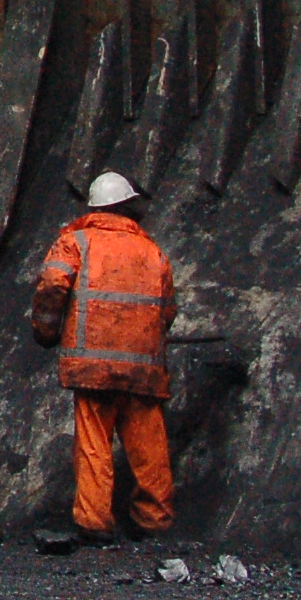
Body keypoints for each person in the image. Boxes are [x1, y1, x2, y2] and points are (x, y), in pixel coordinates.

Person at [30, 170, 175, 542]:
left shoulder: (74, 242)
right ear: (128, 206)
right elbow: (167, 311)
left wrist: (46, 331)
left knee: (94, 443)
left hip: (92, 366)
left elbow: (51, 286)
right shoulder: (152, 251)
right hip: (142, 368)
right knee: (148, 444)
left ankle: (94, 523)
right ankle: (153, 521)